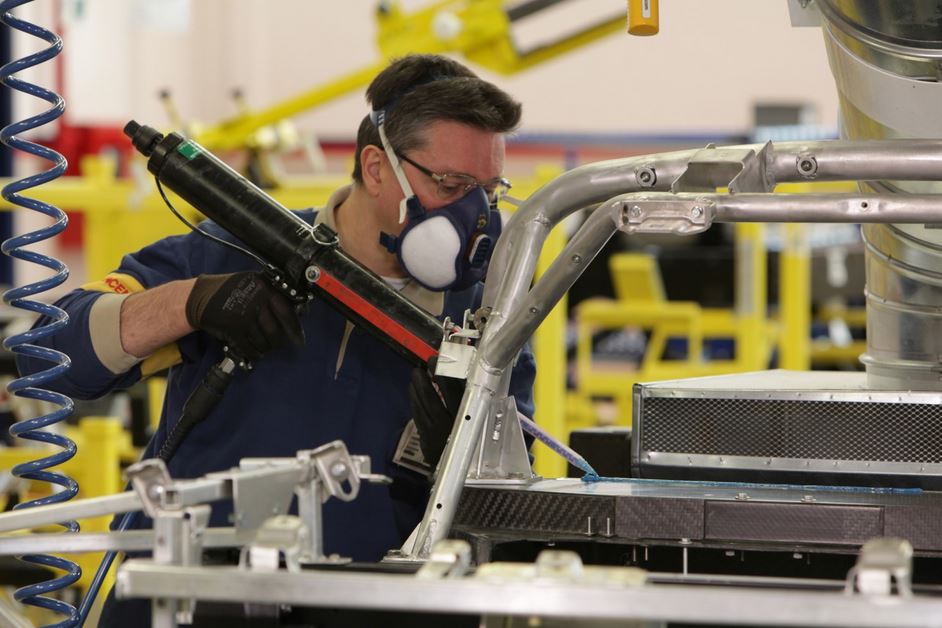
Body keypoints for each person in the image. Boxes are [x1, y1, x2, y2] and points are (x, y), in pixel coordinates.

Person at [17, 54, 535, 624]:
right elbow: (49, 355)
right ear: (377, 168)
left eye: (490, 190)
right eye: (453, 185)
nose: (478, 214)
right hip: (187, 604)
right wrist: (191, 302)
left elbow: (510, 514)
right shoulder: (234, 248)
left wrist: (463, 451)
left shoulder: (490, 321)